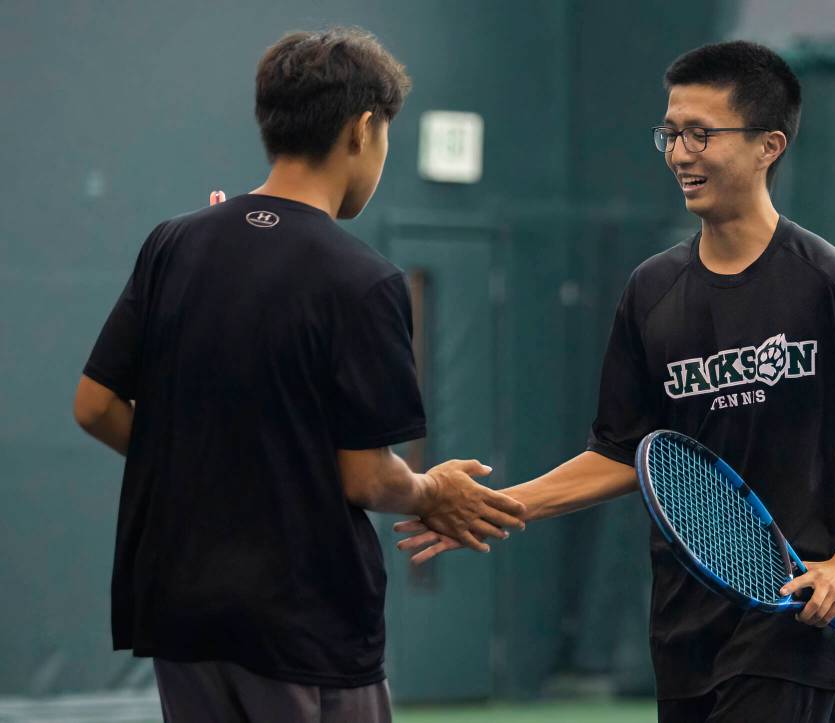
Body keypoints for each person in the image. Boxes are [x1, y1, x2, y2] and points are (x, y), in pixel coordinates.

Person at [396, 40, 835, 723]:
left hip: (787, 633)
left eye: (701, 133)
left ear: (768, 145)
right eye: (671, 132)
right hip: (682, 631)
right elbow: (624, 450)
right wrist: (502, 506)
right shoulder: (651, 291)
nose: (680, 153)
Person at [73, 27, 525, 723]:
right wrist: (432, 488)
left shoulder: (172, 245)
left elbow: (96, 405)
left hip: (181, 614)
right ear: (363, 129)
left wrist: (198, 462)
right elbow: (369, 478)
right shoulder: (364, 281)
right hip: (304, 626)